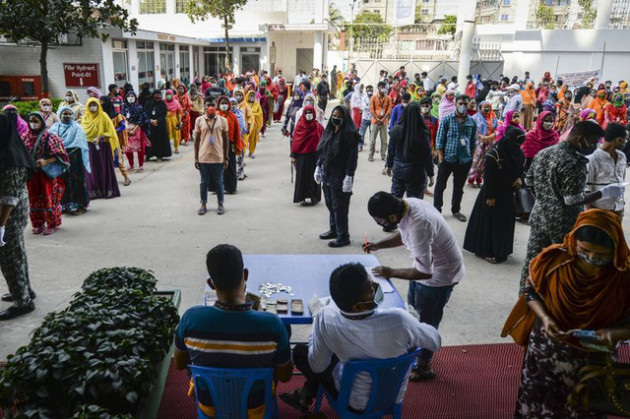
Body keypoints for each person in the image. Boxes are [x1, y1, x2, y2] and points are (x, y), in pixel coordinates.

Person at [502, 209, 630, 418]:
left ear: (615, 249)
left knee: (584, 408)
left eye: (601, 256)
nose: (591, 259)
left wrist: (614, 334)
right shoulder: (553, 261)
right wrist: (545, 318)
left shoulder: (623, 276)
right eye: (585, 251)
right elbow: (531, 292)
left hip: (594, 360)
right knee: (539, 404)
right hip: (547, 353)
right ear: (574, 241)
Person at [280, 262, 441, 414]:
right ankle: (305, 393)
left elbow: (317, 366)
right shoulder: (400, 319)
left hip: (352, 402)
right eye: (371, 288)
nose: (376, 288)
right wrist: (413, 319)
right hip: (392, 397)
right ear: (357, 306)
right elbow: (435, 341)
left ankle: (306, 393)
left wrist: (317, 328)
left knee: (302, 352)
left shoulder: (326, 318)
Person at [174, 244, 293, 418]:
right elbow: (285, 376)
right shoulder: (272, 324)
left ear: (211, 284)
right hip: (255, 409)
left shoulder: (191, 319)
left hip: (210, 407)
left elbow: (179, 364)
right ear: (245, 275)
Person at [363, 191, 463, 380]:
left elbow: (426, 272)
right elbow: (403, 235)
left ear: (392, 216)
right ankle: (412, 352)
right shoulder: (406, 205)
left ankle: (424, 366)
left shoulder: (420, 224)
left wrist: (390, 271)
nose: (380, 225)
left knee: (426, 321)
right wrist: (379, 245)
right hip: (424, 268)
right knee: (413, 314)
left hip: (440, 275)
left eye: (380, 222)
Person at [518, 121, 624, 293]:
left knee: (533, 258)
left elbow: (529, 181)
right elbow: (572, 199)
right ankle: (551, 299)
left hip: (539, 215)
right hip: (562, 222)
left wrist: (547, 195)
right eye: (592, 142)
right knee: (560, 263)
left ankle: (525, 296)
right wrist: (603, 192)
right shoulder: (575, 163)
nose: (593, 147)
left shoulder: (544, 152)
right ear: (580, 139)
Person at [464, 127, 526, 263]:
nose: (518, 146)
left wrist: (520, 178)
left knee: (504, 224)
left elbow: (521, 170)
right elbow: (489, 178)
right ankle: (488, 251)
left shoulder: (518, 153)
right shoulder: (494, 154)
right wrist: (490, 197)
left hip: (508, 194)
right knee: (491, 223)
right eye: (516, 142)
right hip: (493, 193)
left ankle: (502, 250)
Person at [0, 113, 37, 320]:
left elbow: (9, 198)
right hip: (13, 210)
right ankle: (24, 290)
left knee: (9, 257)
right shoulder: (9, 148)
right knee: (18, 252)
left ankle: (22, 301)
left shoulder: (10, 158)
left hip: (10, 214)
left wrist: (1, 226)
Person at [315, 106, 359, 247]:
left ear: (345, 118)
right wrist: (318, 165)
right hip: (327, 173)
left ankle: (343, 236)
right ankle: (334, 229)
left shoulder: (350, 135)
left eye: (339, 116)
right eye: (334, 115)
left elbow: (352, 158)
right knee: (329, 203)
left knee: (339, 207)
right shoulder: (329, 130)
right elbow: (323, 149)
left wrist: (349, 176)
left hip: (340, 176)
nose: (335, 118)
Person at [23, 112, 70, 235]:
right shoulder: (25, 137)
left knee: (49, 198)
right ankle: (38, 223)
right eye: (31, 120)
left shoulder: (49, 137)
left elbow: (61, 155)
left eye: (36, 121)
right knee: (33, 199)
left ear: (42, 122)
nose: (33, 123)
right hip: (32, 174)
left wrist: (46, 161)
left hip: (46, 175)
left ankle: (52, 223)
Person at [434, 94, 477, 222]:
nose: (462, 106)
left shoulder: (471, 122)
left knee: (459, 187)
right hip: (447, 158)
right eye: (460, 104)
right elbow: (439, 140)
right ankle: (437, 210)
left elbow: (474, 142)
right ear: (455, 104)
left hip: (464, 160)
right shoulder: (447, 120)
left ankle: (456, 210)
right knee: (440, 185)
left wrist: (472, 159)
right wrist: (441, 158)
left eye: (465, 104)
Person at [386, 103, 434, 200]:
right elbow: (427, 155)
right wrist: (430, 174)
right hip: (417, 172)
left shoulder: (396, 130)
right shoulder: (422, 132)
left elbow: (391, 151)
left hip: (399, 170)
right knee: (415, 204)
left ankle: (395, 215)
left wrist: (389, 166)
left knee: (395, 200)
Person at [49, 107, 91, 215]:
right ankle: (65, 205)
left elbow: (80, 144)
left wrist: (67, 153)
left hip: (75, 159)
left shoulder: (77, 128)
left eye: (69, 114)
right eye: (64, 113)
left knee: (76, 182)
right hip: (60, 159)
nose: (66, 116)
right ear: (60, 114)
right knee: (63, 182)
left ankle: (81, 205)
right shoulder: (54, 127)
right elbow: (50, 141)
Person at [194, 100, 229, 216]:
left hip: (218, 157)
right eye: (208, 105)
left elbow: (226, 140)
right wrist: (196, 158)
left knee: (219, 182)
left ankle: (220, 204)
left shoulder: (223, 121)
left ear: (216, 106)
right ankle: (203, 204)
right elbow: (197, 140)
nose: (211, 107)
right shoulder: (199, 120)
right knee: (204, 183)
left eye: (213, 105)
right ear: (205, 107)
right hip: (203, 157)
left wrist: (226, 157)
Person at [81, 98, 121, 200]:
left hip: (102, 147)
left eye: (95, 105)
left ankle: (106, 190)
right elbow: (81, 133)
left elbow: (111, 132)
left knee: (103, 168)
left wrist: (100, 138)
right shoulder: (85, 118)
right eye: (90, 105)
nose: (92, 107)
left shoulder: (103, 116)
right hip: (89, 147)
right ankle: (94, 191)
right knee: (92, 170)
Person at [586, 123, 628, 219]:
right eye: (626, 139)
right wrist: (590, 215)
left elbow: (621, 181)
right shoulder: (593, 159)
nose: (626, 142)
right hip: (599, 211)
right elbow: (587, 190)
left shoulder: (622, 157)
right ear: (619, 140)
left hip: (618, 209)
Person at [291, 105, 324, 206]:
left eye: (310, 112)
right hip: (302, 157)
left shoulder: (318, 126)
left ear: (314, 113)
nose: (308, 114)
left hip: (315, 156)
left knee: (314, 177)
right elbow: (295, 142)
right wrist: (293, 156)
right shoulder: (299, 126)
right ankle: (301, 198)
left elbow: (324, 140)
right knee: (302, 177)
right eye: (307, 112)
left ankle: (314, 197)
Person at [100, 96, 131, 187]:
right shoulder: (100, 116)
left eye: (102, 102)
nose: (101, 104)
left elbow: (123, 126)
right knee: (105, 161)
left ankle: (126, 177)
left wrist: (114, 131)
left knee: (118, 159)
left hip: (114, 140)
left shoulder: (116, 115)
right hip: (104, 140)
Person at [467, 100, 498, 188]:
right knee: (476, 161)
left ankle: (479, 179)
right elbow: (472, 130)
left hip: (489, 142)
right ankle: (471, 180)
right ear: (480, 108)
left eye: (489, 107)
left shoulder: (493, 118)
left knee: (485, 161)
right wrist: (481, 136)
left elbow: (497, 129)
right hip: (478, 142)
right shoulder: (474, 118)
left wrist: (491, 135)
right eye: (485, 107)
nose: (487, 109)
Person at [216, 95, 244, 195]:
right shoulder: (215, 115)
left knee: (230, 166)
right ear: (218, 104)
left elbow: (236, 132)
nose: (224, 105)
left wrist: (236, 144)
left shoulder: (233, 117)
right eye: (222, 103)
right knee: (217, 166)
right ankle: (217, 187)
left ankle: (231, 187)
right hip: (217, 144)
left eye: (225, 103)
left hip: (229, 144)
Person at [122, 91, 151, 173]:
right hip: (127, 129)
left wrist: (134, 129)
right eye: (129, 96)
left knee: (140, 149)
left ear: (135, 97)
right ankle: (131, 164)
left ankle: (141, 165)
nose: (130, 98)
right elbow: (122, 119)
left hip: (137, 129)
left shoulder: (139, 107)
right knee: (127, 149)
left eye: (132, 96)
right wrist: (126, 128)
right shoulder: (124, 107)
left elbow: (142, 119)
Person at [144, 90, 172, 161]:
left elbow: (164, 114)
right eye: (156, 95)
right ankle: (148, 155)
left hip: (160, 125)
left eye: (159, 95)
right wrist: (151, 120)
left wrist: (157, 120)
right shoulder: (149, 103)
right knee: (149, 140)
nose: (158, 97)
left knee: (160, 141)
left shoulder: (162, 103)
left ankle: (159, 156)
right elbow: (145, 113)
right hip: (150, 125)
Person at [368, 82, 392, 162]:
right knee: (372, 140)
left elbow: (389, 110)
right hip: (375, 121)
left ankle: (383, 155)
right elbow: (372, 110)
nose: (383, 89)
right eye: (381, 87)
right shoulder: (373, 98)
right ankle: (370, 156)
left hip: (384, 122)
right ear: (378, 88)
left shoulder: (388, 98)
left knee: (384, 140)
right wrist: (378, 119)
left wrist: (383, 119)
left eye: (384, 87)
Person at [163, 89, 183, 155]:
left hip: (174, 121)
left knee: (176, 134)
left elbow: (179, 112)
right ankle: (166, 149)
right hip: (166, 121)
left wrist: (180, 121)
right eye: (167, 95)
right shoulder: (163, 103)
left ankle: (176, 148)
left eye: (170, 94)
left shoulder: (176, 102)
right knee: (165, 136)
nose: (168, 96)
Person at [246, 90, 263, 158]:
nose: (252, 97)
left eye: (253, 96)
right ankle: (242, 153)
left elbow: (260, 114)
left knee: (253, 139)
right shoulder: (245, 104)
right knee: (245, 139)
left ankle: (251, 152)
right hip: (247, 124)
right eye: (251, 96)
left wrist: (252, 115)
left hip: (254, 124)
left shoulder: (257, 104)